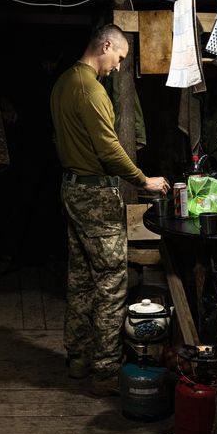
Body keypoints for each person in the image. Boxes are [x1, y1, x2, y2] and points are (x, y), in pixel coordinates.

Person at [49, 23, 170, 396]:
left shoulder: (63, 83)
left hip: (71, 188)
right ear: (105, 45)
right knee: (112, 281)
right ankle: (104, 369)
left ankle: (78, 357)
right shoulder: (91, 89)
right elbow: (108, 149)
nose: (118, 67)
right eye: (119, 58)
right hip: (95, 194)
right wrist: (143, 180)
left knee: (82, 277)